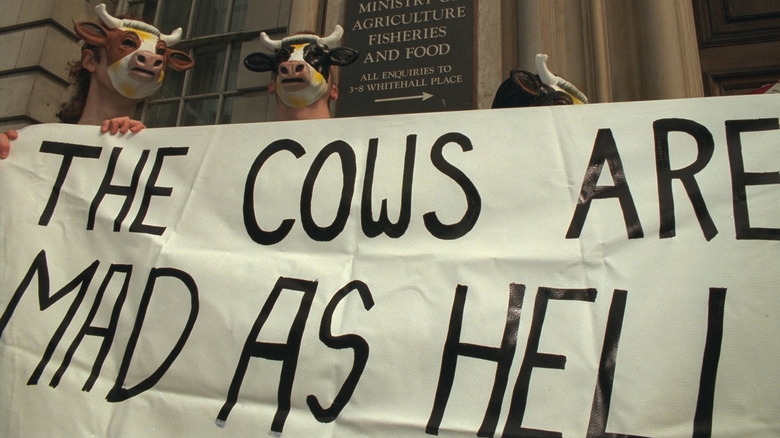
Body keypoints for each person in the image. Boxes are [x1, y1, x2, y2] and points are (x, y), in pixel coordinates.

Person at [0, 3, 194, 159]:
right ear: (90, 61)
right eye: (127, 43)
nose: (152, 58)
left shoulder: (156, 160)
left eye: (160, 52)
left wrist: (140, 144)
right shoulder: (28, 148)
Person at [243, 25, 359, 121]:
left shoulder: (358, 140)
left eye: (315, 57)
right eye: (283, 58)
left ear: (334, 91)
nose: (292, 65)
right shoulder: (244, 140)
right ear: (272, 86)